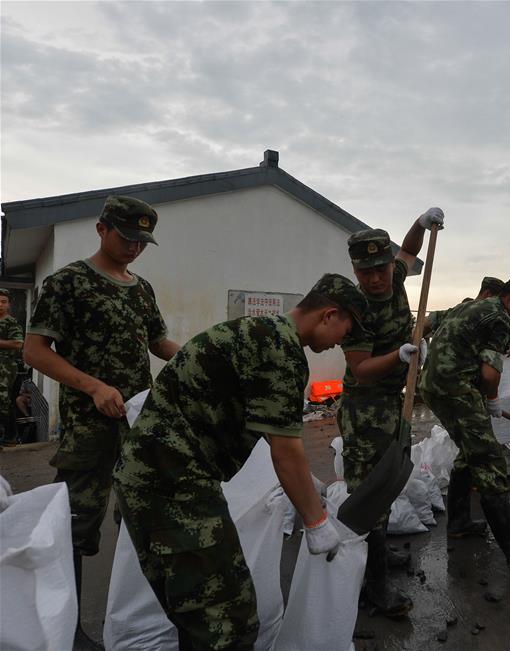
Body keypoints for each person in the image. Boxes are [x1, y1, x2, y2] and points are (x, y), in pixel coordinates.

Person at [113, 274, 367, 649]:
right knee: (227, 623)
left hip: (156, 479)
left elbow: (267, 429)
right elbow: (285, 451)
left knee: (200, 613)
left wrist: (308, 487)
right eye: (347, 331)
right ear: (329, 315)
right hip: (172, 488)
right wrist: (316, 521)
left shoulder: (257, 332)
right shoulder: (281, 352)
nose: (342, 343)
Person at [23, 195, 181, 650]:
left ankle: (138, 618)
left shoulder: (141, 288)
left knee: (142, 518)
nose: (134, 247)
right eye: (127, 237)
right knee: (74, 526)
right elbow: (35, 351)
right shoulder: (67, 282)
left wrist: (198, 358)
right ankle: (68, 630)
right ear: (101, 229)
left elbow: (158, 343)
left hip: (138, 424)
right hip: (89, 428)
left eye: (142, 241)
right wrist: (92, 386)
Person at [419, 271, 510, 577]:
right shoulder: (500, 319)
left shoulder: (469, 306)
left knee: (469, 451)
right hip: (457, 389)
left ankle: (459, 521)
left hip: (432, 386)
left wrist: (413, 342)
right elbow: (489, 374)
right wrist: (493, 398)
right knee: (488, 458)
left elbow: (428, 321)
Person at [338, 207, 444, 618]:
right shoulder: (354, 306)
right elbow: (360, 369)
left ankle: (377, 555)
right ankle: (373, 585)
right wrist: (399, 355)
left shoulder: (395, 275)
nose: (376, 279)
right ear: (355, 270)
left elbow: (409, 252)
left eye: (380, 269)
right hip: (364, 407)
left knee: (388, 484)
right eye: (365, 272)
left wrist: (420, 223)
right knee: (369, 491)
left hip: (391, 400)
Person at [426, 276, 504, 335]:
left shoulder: (459, 310)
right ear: (487, 294)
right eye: (497, 300)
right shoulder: (482, 316)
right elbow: (427, 322)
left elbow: (427, 321)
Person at [0, 289, 24, 444]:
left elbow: (18, 343)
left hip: (5, 366)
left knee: (2, 399)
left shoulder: (11, 322)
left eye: (3, 302)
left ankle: (9, 436)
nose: (0, 305)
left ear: (9, 305)